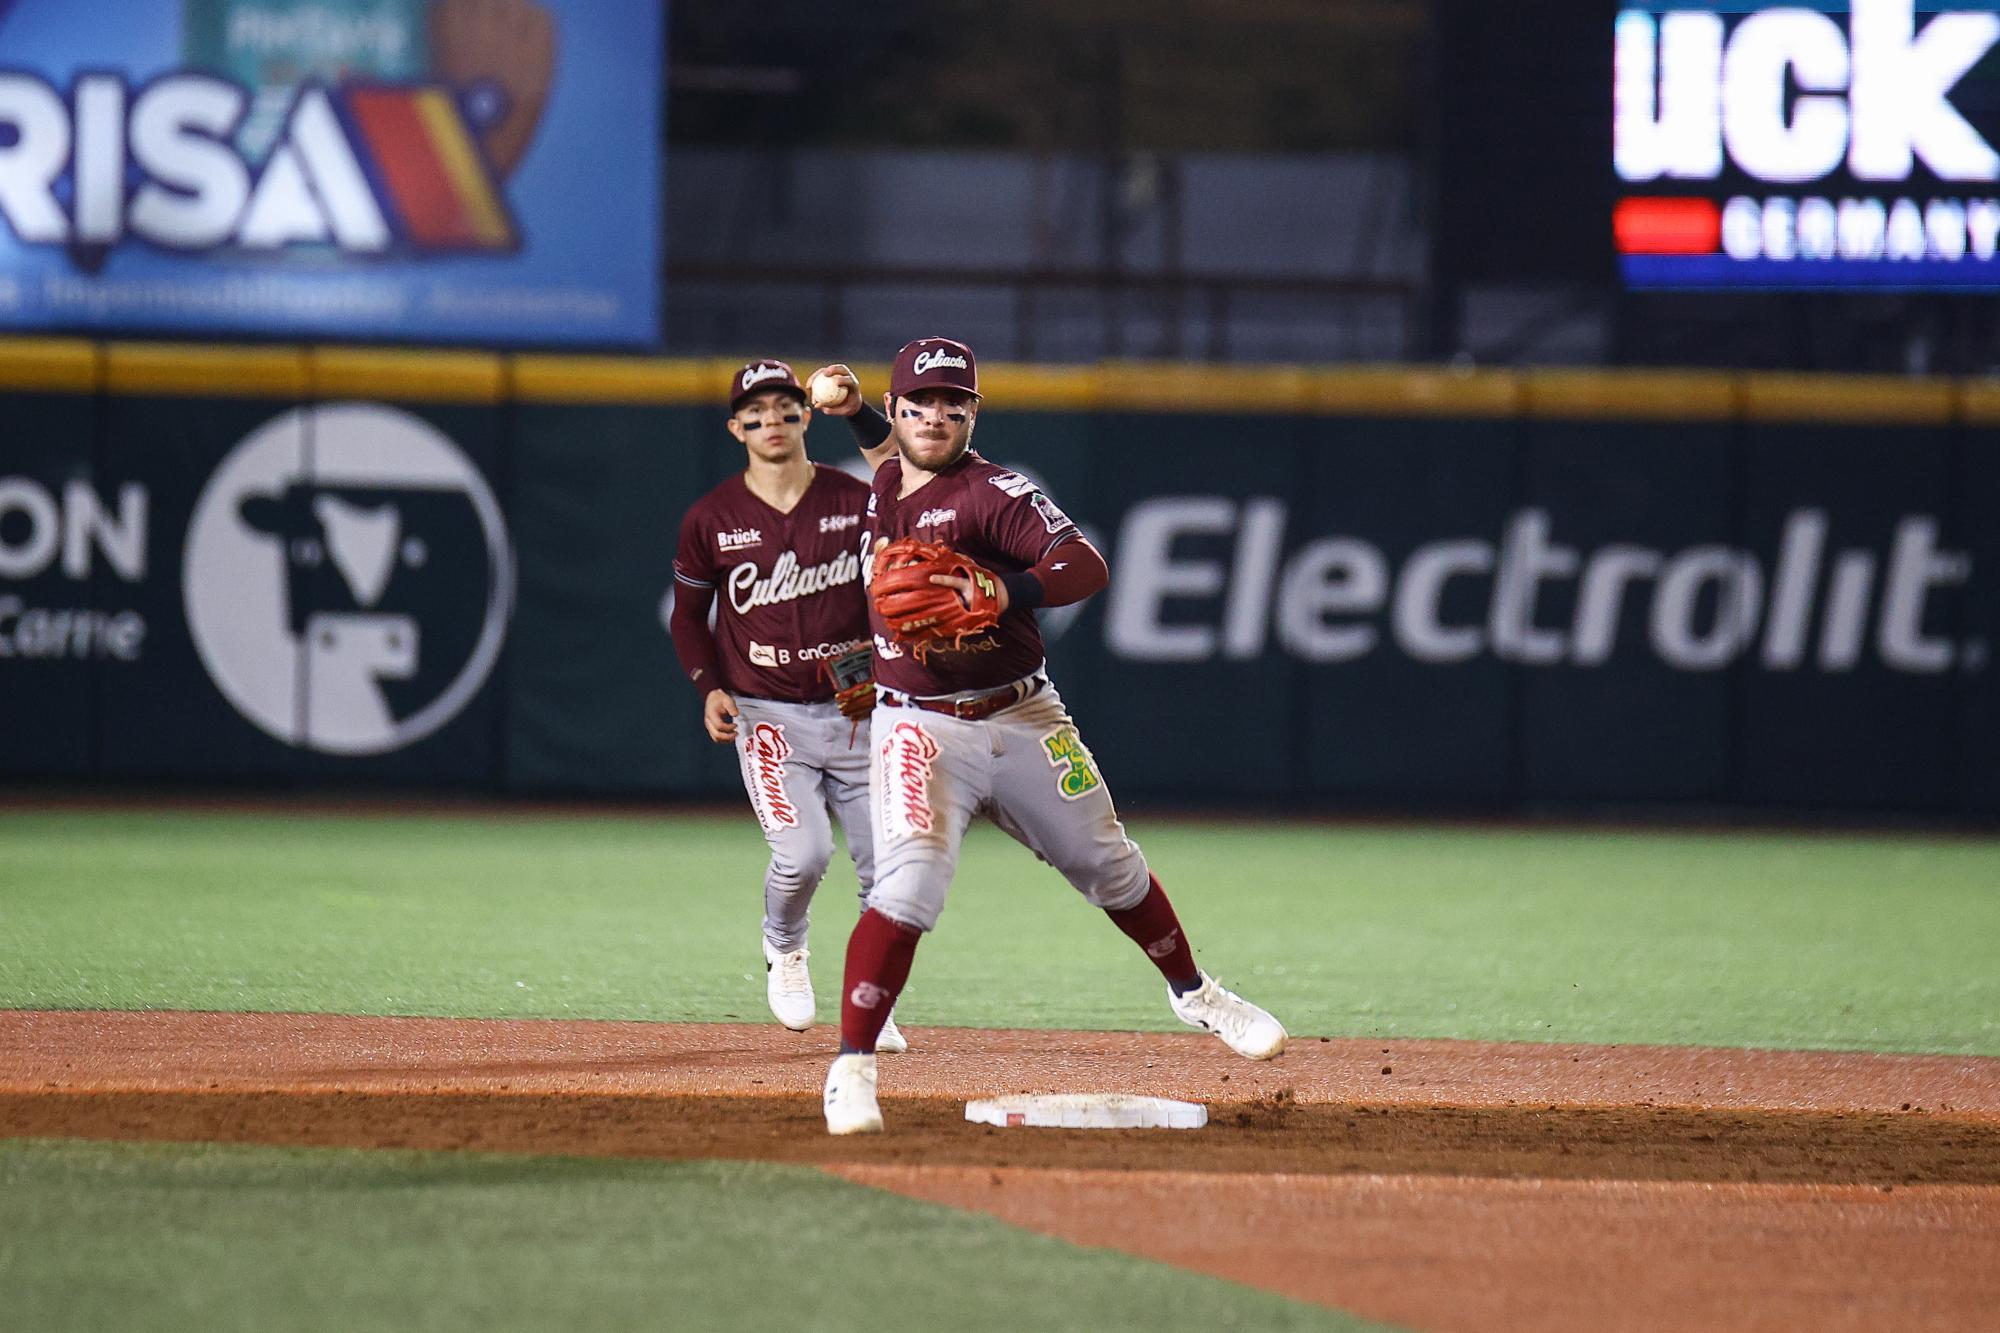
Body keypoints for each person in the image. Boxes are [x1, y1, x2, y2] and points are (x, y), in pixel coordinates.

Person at [808, 338, 1285, 1135]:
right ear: (896, 411)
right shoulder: (888, 473)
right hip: (917, 723)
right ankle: (852, 1066)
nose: (934, 416)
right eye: (917, 404)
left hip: (1023, 714)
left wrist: (1007, 588)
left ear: (973, 414)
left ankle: (1195, 993)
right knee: (909, 887)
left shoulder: (996, 491)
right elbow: (881, 445)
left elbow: (1086, 564)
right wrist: (852, 405)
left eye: (952, 404)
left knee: (1109, 863)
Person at [669, 359, 906, 1052]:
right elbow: (688, 616)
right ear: (735, 427)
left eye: (784, 407)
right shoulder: (711, 516)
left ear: (806, 415)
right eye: (756, 412)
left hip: (863, 707)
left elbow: (898, 465)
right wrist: (706, 683)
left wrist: (860, 412)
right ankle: (784, 945)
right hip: (767, 711)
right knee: (803, 854)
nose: (771, 421)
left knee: (888, 869)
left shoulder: (854, 495)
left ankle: (873, 1001)